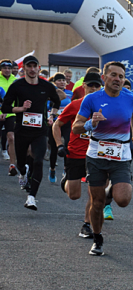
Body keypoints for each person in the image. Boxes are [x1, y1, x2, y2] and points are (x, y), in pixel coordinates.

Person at [72, 61, 133, 256]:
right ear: (104, 78)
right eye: (113, 75)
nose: (117, 79)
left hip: (120, 154)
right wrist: (90, 123)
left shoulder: (130, 98)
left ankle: (111, 188)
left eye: (121, 76)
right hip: (96, 154)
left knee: (123, 199)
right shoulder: (92, 99)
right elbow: (75, 127)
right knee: (97, 202)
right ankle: (97, 238)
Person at [0, 55, 61, 210]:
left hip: (40, 131)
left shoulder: (46, 86)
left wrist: (52, 115)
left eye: (35, 66)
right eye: (29, 66)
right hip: (21, 130)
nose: (32, 69)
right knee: (21, 164)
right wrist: (21, 109)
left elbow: (57, 101)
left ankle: (32, 197)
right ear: (24, 69)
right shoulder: (17, 85)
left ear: (39, 68)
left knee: (39, 160)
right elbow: (5, 107)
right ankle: (23, 171)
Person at [52, 71, 103, 238]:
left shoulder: (105, 106)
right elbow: (56, 125)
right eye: (91, 86)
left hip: (96, 155)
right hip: (75, 153)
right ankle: (66, 179)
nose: (94, 89)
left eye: (97, 85)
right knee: (74, 195)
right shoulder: (75, 105)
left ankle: (86, 224)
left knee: (94, 193)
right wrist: (60, 145)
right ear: (84, 87)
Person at [48, 72, 72, 182]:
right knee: (55, 147)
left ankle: (66, 169)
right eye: (59, 80)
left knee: (68, 144)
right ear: (54, 82)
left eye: (63, 80)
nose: (62, 82)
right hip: (54, 121)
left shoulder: (70, 93)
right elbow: (48, 105)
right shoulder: (51, 93)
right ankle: (52, 169)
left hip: (67, 122)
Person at [0, 59, 19, 176]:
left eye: (9, 68)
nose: (7, 70)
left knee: (11, 137)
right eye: (4, 68)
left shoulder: (16, 81)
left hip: (11, 113)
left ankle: (12, 164)